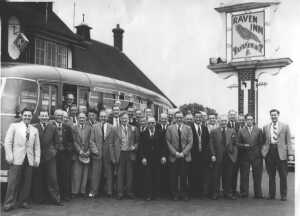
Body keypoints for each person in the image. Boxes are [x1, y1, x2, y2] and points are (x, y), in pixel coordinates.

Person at [3, 108, 40, 211]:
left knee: (27, 182)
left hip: (29, 159)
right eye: (25, 115)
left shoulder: (34, 130)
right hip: (16, 158)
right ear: (21, 116)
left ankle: (23, 201)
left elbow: (37, 146)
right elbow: (8, 142)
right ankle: (9, 203)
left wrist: (37, 158)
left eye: (29, 116)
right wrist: (9, 156)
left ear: (32, 117)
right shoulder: (14, 126)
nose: (27, 117)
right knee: (13, 182)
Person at [31, 110, 62, 205]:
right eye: (42, 116)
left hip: (50, 157)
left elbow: (57, 143)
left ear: (48, 117)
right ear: (39, 117)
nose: (44, 118)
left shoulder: (53, 128)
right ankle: (39, 199)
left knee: (52, 178)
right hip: (38, 157)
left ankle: (56, 199)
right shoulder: (34, 127)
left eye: (46, 116)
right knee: (38, 178)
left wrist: (54, 151)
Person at [262, 109, 291, 201]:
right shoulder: (266, 127)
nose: (273, 116)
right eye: (272, 115)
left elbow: (289, 141)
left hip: (281, 153)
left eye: (275, 115)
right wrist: (264, 152)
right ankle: (271, 194)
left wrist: (289, 154)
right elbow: (264, 141)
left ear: (278, 115)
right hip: (270, 152)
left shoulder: (285, 126)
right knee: (271, 175)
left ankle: (283, 195)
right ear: (270, 116)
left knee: (283, 175)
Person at [111, 112, 139, 199]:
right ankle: (120, 193)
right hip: (120, 153)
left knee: (130, 174)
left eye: (126, 118)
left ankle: (129, 192)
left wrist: (134, 146)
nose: (124, 120)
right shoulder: (115, 129)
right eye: (122, 118)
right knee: (120, 174)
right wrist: (113, 157)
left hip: (130, 153)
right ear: (120, 119)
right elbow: (111, 144)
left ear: (128, 119)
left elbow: (137, 141)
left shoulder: (133, 128)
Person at [166, 111, 193, 201]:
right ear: (174, 118)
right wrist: (176, 153)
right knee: (173, 176)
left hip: (185, 156)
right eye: (177, 117)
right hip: (174, 156)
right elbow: (168, 142)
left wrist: (183, 153)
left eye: (181, 117)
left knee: (184, 176)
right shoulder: (170, 128)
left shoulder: (188, 128)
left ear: (183, 118)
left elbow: (190, 142)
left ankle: (184, 194)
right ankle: (175, 194)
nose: (179, 119)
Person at [209, 115, 237, 200]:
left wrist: (234, 155)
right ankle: (216, 193)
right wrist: (213, 155)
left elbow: (235, 144)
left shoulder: (232, 130)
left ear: (227, 121)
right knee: (216, 176)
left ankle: (227, 192)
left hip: (229, 157)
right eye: (222, 121)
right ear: (219, 121)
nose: (223, 122)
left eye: (225, 121)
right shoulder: (214, 131)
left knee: (228, 176)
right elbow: (211, 145)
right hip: (218, 157)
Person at [89, 111, 115, 198]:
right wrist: (95, 150)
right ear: (99, 117)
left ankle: (109, 191)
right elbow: (91, 141)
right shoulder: (94, 127)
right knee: (95, 173)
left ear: (107, 118)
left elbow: (113, 142)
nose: (103, 118)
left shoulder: (112, 127)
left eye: (105, 117)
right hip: (97, 153)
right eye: (101, 116)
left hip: (108, 153)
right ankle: (94, 191)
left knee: (109, 173)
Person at [140, 117, 167, 200]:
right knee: (148, 176)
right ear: (147, 124)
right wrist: (143, 157)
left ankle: (156, 194)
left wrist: (163, 156)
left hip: (157, 158)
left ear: (155, 123)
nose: (151, 124)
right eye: (149, 123)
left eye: (153, 123)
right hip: (147, 159)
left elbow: (163, 146)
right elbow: (141, 147)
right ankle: (148, 194)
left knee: (157, 176)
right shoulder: (143, 133)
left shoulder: (160, 133)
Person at [237, 114, 263, 199]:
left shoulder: (259, 130)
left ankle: (258, 193)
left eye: (251, 119)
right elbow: (237, 144)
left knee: (257, 176)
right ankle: (244, 193)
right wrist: (244, 145)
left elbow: (261, 143)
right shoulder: (241, 131)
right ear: (245, 121)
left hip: (256, 156)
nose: (249, 121)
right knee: (244, 175)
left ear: (253, 120)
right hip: (245, 156)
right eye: (247, 119)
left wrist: (259, 153)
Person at [53, 109, 74, 201]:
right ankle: (55, 195)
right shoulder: (50, 126)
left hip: (65, 155)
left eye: (61, 116)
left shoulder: (67, 127)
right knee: (55, 176)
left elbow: (71, 141)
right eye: (57, 115)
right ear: (54, 116)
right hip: (54, 155)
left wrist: (67, 149)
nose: (59, 117)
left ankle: (65, 195)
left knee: (65, 175)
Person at [190, 112, 210, 198]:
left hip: (203, 155)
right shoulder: (189, 128)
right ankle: (193, 192)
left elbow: (207, 142)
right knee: (193, 173)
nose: (198, 119)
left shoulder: (204, 128)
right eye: (196, 117)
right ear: (194, 118)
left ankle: (200, 192)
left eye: (199, 117)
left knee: (202, 174)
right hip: (193, 154)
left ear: (201, 118)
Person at [71, 112, 91, 198]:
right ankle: (75, 192)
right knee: (76, 174)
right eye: (80, 118)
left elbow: (91, 140)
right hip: (77, 154)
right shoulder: (74, 128)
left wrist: (89, 151)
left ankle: (82, 191)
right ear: (77, 118)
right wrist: (80, 151)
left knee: (85, 174)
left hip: (87, 154)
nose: (82, 119)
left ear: (86, 119)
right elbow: (74, 141)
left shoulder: (90, 128)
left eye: (83, 118)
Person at [232, 114, 246, 196]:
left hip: (244, 154)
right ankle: (233, 190)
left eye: (242, 119)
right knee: (234, 173)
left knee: (244, 173)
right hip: (236, 153)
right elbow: (234, 141)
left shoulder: (246, 127)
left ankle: (243, 191)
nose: (241, 121)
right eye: (239, 119)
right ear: (237, 120)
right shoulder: (235, 127)